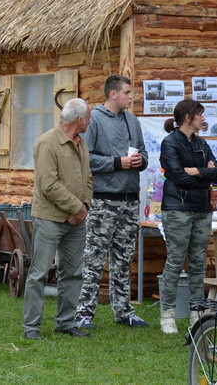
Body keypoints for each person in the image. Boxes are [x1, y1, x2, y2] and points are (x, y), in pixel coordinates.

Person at [75, 75, 149, 329]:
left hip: (130, 201)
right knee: (94, 258)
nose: (131, 96)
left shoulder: (132, 120)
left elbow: (143, 151)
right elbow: (86, 159)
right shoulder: (94, 120)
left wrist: (141, 160)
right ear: (113, 94)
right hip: (103, 202)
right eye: (127, 92)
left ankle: (123, 311)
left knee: (123, 259)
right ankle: (84, 312)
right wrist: (118, 163)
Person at [23, 98, 93, 340]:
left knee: (73, 272)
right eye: (88, 118)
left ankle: (66, 322)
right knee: (39, 273)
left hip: (76, 221)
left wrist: (83, 206)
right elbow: (48, 185)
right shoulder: (47, 143)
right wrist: (77, 208)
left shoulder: (81, 144)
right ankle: (32, 326)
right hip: (49, 219)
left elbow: (88, 180)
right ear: (78, 120)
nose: (90, 121)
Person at [158, 99, 217, 334]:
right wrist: (205, 175)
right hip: (178, 209)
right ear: (188, 117)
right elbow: (177, 177)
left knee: (198, 263)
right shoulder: (170, 143)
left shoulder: (202, 144)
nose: (203, 119)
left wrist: (197, 171)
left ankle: (197, 312)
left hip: (202, 210)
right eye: (200, 115)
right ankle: (168, 314)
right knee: (175, 261)